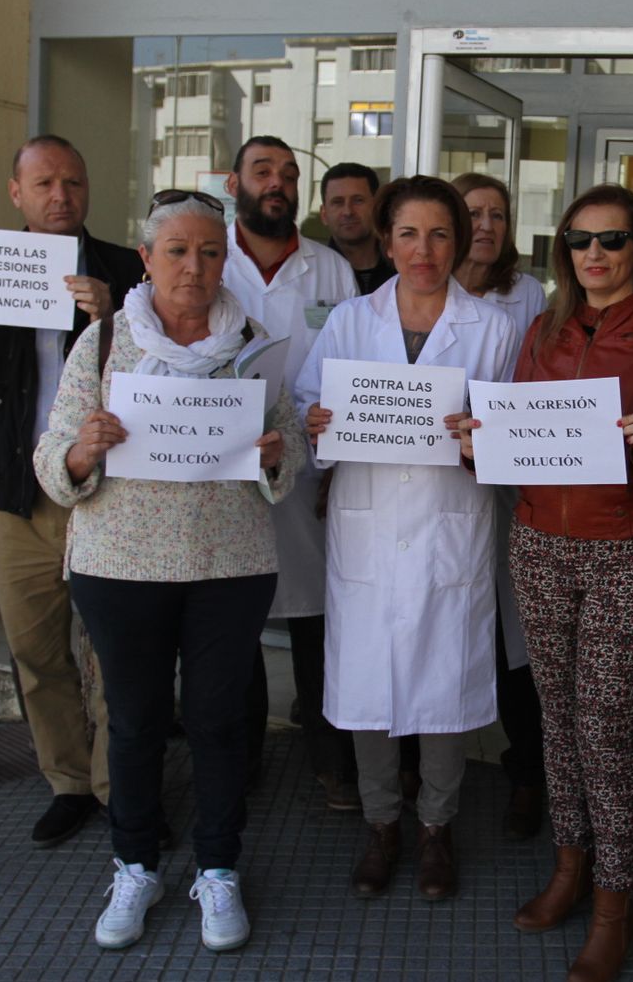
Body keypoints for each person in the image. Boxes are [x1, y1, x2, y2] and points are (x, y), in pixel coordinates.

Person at [460, 184, 633, 982]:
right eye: (579, 241)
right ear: (564, 251)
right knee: (554, 719)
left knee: (604, 731)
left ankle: (615, 901)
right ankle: (569, 868)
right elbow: (520, 440)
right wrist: (479, 439)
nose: (595, 255)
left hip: (624, 554)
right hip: (539, 544)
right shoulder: (543, 329)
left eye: (611, 240)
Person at [33, 190, 298, 951]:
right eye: (177, 251)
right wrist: (83, 450)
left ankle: (218, 869)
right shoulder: (106, 340)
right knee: (138, 720)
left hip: (229, 562)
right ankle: (135, 863)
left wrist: (279, 456)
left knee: (217, 722)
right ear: (146, 260)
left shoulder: (254, 342)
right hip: (120, 563)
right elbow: (52, 456)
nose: (194, 266)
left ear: (226, 261)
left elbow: (286, 442)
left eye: (209, 252)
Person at [297, 175, 518, 902]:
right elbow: (308, 404)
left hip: (448, 527)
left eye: (440, 234)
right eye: (409, 234)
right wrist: (317, 425)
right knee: (366, 683)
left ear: (461, 242)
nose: (424, 251)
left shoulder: (492, 326)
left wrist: (484, 442)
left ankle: (436, 827)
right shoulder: (350, 322)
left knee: (443, 685)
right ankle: (381, 823)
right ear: (385, 241)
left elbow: (516, 434)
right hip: (366, 529)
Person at [0, 135, 142, 846]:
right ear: (15, 194)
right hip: (15, 493)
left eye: (73, 182)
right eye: (44, 183)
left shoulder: (125, 270)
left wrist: (110, 320)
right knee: (38, 652)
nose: (61, 196)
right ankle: (68, 782)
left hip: (106, 491)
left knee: (114, 653)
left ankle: (119, 787)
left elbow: (156, 383)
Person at [224, 136, 360, 809]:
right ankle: (239, 759)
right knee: (233, 624)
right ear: (234, 184)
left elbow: (349, 368)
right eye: (262, 172)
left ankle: (332, 762)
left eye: (287, 174)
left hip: (306, 474)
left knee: (318, 623)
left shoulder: (330, 271)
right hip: (224, 473)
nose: (276, 184)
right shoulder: (207, 256)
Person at [449, 170, 549, 841]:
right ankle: (423, 768)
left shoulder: (529, 294)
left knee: (517, 643)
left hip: (511, 487)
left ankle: (526, 776)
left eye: (497, 214)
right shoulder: (424, 292)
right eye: (473, 213)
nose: (486, 226)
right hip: (436, 486)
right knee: (444, 623)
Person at [318, 161, 396, 295]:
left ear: (377, 207)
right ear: (324, 214)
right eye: (338, 202)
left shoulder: (401, 267)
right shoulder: (313, 273)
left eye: (358, 200)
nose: (348, 211)